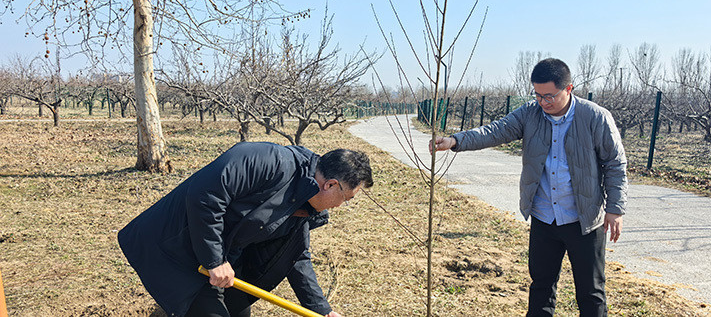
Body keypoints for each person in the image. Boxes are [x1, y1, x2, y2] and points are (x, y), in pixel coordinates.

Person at [430, 58, 627, 316]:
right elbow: (495, 131)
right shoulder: (530, 114)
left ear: (568, 89)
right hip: (544, 217)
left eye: (549, 96)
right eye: (538, 95)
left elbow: (615, 164)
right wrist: (456, 141)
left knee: (591, 293)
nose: (543, 102)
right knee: (541, 288)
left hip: (585, 220)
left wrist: (615, 208)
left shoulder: (595, 117)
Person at [118, 142, 373, 317]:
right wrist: (215, 260)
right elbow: (204, 196)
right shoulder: (267, 161)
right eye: (347, 198)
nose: (341, 205)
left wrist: (322, 310)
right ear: (330, 184)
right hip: (176, 246)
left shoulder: (306, 205)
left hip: (223, 257)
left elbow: (297, 257)